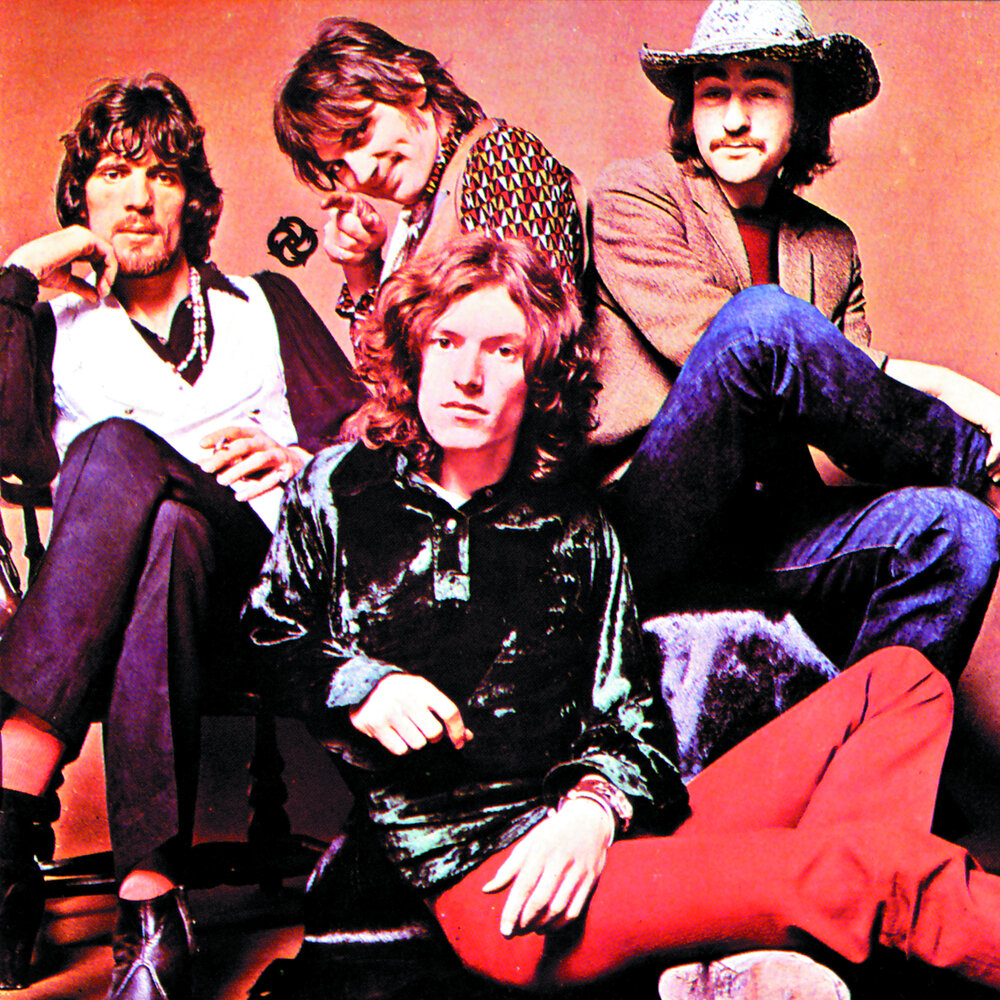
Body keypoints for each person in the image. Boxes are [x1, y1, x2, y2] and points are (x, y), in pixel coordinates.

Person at [245, 232, 1000, 996]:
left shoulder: (576, 527)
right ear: (414, 351)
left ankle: (802, 948)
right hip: (506, 888)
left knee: (902, 681)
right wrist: (360, 685)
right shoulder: (338, 488)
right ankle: (841, 896)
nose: (467, 375)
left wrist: (593, 808)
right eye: (446, 341)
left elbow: (630, 724)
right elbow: (271, 632)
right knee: (877, 872)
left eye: (503, 351)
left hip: (602, 836)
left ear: (539, 378)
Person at [0, 74, 363, 998]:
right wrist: (19, 276)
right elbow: (4, 451)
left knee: (117, 446)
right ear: (81, 199)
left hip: (256, 595)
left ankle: (8, 799)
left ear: (192, 200)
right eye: (113, 173)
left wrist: (296, 457)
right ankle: (152, 908)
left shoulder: (264, 302)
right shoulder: (54, 325)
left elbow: (367, 447)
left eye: (161, 175)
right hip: (127, 608)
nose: (137, 197)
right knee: (164, 527)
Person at [588, 0, 1000, 678]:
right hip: (654, 523)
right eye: (712, 93)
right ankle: (982, 467)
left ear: (802, 112)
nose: (733, 119)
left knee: (962, 528)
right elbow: (725, 339)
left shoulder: (830, 245)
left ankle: (863, 732)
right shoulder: (635, 194)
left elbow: (854, 407)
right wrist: (963, 424)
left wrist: (957, 395)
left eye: (761, 92)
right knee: (761, 321)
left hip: (775, 530)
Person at [272, 16, 585, 342]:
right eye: (337, 166)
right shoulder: (421, 216)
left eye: (360, 131)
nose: (362, 173)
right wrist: (361, 265)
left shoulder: (500, 159)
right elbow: (378, 367)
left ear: (411, 86)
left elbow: (534, 344)